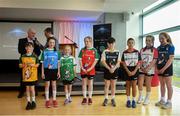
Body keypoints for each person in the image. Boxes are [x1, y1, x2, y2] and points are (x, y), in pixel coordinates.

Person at [18, 28, 41, 98]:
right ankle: (21, 92)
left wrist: (33, 55)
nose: (33, 35)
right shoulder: (21, 40)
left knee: (34, 76)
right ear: (28, 33)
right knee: (23, 77)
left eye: (34, 33)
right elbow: (20, 50)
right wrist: (28, 53)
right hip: (24, 61)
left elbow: (39, 52)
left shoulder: (36, 41)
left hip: (33, 62)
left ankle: (35, 91)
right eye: (32, 33)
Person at [155, 32, 175, 109]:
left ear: (166, 38)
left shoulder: (170, 46)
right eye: (159, 39)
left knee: (168, 85)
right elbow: (156, 59)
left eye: (162, 38)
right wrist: (157, 68)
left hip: (167, 69)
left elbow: (170, 59)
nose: (160, 40)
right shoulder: (158, 48)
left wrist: (163, 69)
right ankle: (162, 100)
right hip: (160, 69)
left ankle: (169, 102)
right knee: (162, 84)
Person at [137, 35, 158, 105]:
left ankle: (147, 98)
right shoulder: (142, 50)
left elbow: (154, 61)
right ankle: (140, 96)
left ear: (152, 41)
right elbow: (140, 60)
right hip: (142, 69)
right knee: (140, 82)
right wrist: (142, 67)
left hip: (150, 69)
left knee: (148, 84)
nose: (147, 42)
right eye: (146, 40)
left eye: (149, 40)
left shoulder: (155, 50)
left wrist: (148, 68)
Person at [78, 36, 99, 105]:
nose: (86, 43)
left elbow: (95, 61)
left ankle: (90, 97)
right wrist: (82, 68)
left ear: (91, 42)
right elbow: (80, 60)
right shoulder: (82, 50)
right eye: (85, 41)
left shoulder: (94, 50)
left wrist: (90, 68)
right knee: (84, 83)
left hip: (91, 70)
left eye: (87, 41)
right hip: (83, 70)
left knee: (90, 84)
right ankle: (84, 98)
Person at [41, 37, 60, 108]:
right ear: (48, 43)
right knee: (47, 85)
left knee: (54, 85)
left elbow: (58, 63)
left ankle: (54, 100)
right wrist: (42, 73)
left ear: (55, 44)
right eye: (50, 42)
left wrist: (58, 72)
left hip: (54, 70)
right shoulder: (44, 51)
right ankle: (47, 100)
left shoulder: (57, 52)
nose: (52, 44)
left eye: (53, 43)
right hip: (47, 70)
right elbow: (42, 63)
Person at [19, 42, 39, 110]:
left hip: (33, 76)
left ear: (33, 48)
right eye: (27, 47)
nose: (29, 48)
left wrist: (33, 65)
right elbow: (20, 65)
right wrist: (23, 65)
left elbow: (38, 64)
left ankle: (33, 101)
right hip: (26, 77)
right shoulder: (22, 56)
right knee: (27, 89)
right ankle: (28, 102)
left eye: (30, 47)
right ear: (25, 48)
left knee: (32, 89)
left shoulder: (35, 56)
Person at [121, 38, 141, 108]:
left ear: (134, 44)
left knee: (134, 86)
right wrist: (128, 71)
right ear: (127, 44)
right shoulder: (124, 52)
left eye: (132, 43)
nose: (130, 44)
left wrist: (134, 71)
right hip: (127, 71)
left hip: (135, 71)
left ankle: (133, 100)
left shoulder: (137, 52)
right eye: (129, 43)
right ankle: (128, 100)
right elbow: (123, 63)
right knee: (128, 86)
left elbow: (139, 63)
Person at [101, 37, 121, 107]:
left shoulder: (117, 52)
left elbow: (118, 62)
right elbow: (103, 61)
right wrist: (109, 68)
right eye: (110, 43)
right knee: (106, 85)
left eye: (112, 43)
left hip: (115, 70)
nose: (111, 45)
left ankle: (113, 98)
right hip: (107, 70)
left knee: (113, 85)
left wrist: (114, 68)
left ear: (114, 44)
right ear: (107, 44)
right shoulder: (105, 51)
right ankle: (106, 98)